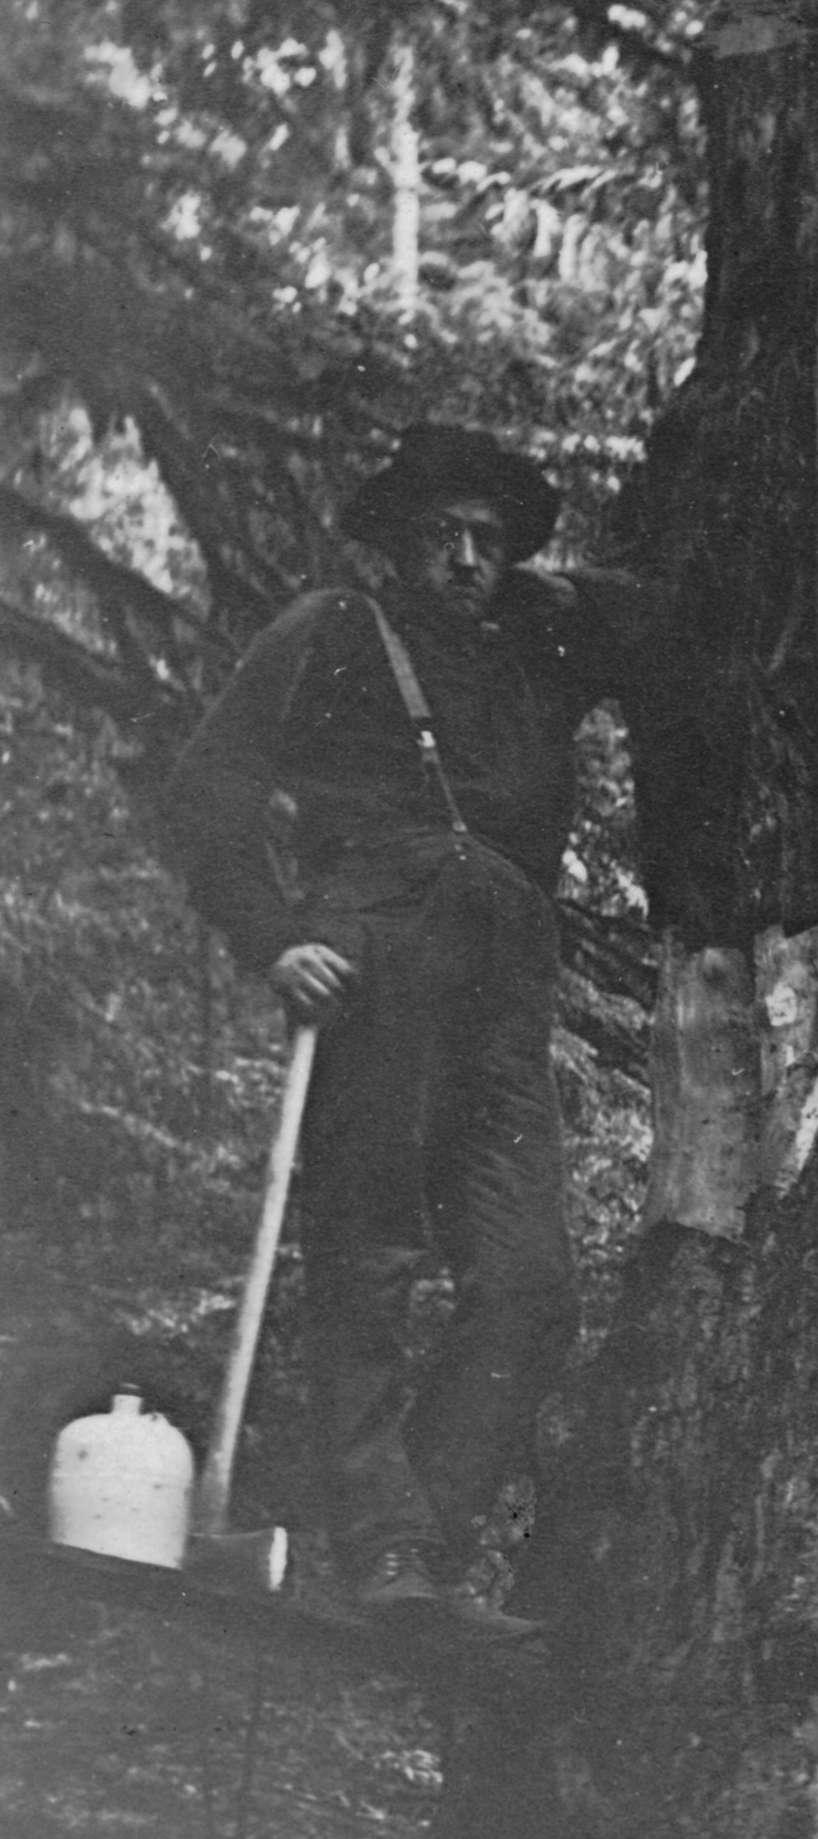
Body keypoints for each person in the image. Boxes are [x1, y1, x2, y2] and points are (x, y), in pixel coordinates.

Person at [169, 424, 668, 1627]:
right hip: (377, 957)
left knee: (531, 1283)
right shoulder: (335, 632)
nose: (462, 560)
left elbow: (662, 624)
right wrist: (271, 934)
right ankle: (382, 1540)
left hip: (504, 978)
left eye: (486, 542)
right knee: (371, 1251)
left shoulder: (536, 653)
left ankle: (423, 1546)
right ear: (398, 543)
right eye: (440, 536)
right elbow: (211, 782)